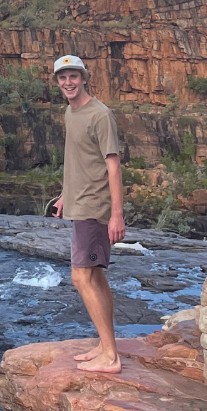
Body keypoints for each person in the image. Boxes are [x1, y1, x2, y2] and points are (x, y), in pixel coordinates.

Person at [51, 55, 125, 374]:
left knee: (80, 276)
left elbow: (113, 165)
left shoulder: (100, 114)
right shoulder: (70, 112)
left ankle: (110, 356)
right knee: (95, 275)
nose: (68, 82)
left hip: (95, 206)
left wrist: (117, 215)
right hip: (79, 202)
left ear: (84, 78)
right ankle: (106, 346)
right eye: (62, 77)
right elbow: (79, 159)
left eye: (73, 76)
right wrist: (65, 196)